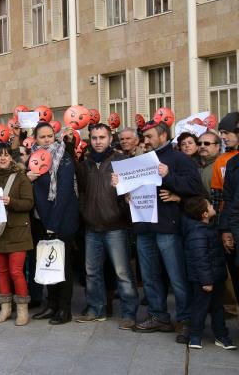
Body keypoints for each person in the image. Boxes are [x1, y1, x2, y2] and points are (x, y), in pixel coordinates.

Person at [126, 121, 202, 341]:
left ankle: (186, 319)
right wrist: (126, 192)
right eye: (144, 137)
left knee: (177, 276)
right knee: (149, 276)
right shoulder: (139, 161)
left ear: (163, 135)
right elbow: (131, 190)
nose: (146, 140)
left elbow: (196, 188)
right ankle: (158, 315)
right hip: (143, 226)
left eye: (149, 136)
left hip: (168, 227)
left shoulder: (180, 159)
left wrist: (169, 176)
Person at [75, 123, 139, 329]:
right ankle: (96, 309)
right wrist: (85, 212)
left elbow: (132, 193)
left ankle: (129, 313)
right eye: (94, 138)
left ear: (111, 139)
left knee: (122, 273)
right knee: (92, 272)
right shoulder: (85, 164)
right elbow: (83, 192)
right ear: (89, 139)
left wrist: (121, 191)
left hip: (116, 226)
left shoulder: (122, 161)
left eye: (102, 137)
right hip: (92, 226)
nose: (98, 142)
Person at [28, 122, 79, 325]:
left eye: (50, 136)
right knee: (46, 264)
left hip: (61, 220)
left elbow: (65, 192)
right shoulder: (32, 159)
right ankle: (51, 305)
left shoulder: (63, 157)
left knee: (62, 266)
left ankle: (64, 309)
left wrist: (53, 224)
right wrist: (27, 178)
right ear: (36, 139)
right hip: (41, 219)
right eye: (42, 137)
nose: (47, 140)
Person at [0, 143, 34, 326]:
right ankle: (5, 308)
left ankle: (22, 310)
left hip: (18, 232)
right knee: (2, 272)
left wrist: (11, 201)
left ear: (11, 157)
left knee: (16, 271)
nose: (2, 158)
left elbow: (29, 203)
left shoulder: (21, 177)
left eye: (6, 155)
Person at [182, 196, 236, 350]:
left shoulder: (209, 228)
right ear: (204, 214)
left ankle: (221, 336)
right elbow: (200, 259)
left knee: (218, 308)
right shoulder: (198, 233)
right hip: (204, 281)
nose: (213, 206)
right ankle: (195, 336)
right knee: (200, 308)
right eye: (209, 205)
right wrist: (206, 281)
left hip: (216, 278)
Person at [198, 130, 221, 197]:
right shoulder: (194, 165)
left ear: (217, 146)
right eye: (199, 144)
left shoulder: (224, 165)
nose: (202, 146)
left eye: (207, 143)